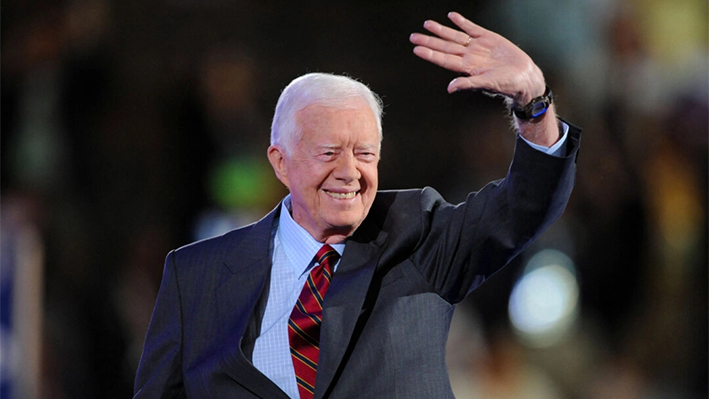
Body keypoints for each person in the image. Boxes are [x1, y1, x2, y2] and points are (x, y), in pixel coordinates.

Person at [133, 11, 581, 399]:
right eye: (329, 152)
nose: (350, 172)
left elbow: (523, 206)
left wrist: (533, 103)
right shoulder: (195, 277)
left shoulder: (419, 239)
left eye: (365, 153)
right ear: (281, 163)